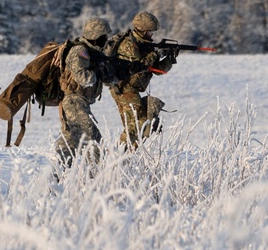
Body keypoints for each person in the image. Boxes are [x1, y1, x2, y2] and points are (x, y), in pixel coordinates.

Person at [55, 18, 120, 168]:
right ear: (95, 36)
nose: (106, 40)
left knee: (71, 141)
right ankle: (98, 175)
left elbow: (108, 80)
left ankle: (57, 175)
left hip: (80, 102)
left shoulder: (93, 53)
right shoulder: (80, 52)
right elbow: (84, 79)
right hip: (74, 101)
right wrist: (99, 69)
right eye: (104, 37)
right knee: (93, 138)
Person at [109, 11, 177, 150]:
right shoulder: (128, 44)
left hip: (132, 89)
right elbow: (138, 66)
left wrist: (170, 58)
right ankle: (119, 154)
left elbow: (157, 70)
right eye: (149, 32)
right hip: (124, 88)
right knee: (138, 124)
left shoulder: (142, 44)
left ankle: (129, 154)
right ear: (141, 30)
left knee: (142, 123)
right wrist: (156, 54)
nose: (152, 35)